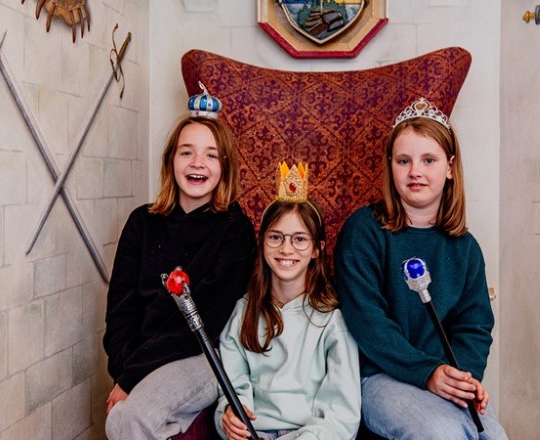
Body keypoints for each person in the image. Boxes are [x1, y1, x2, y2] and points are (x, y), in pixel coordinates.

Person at [334, 98, 508, 439]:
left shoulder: (465, 248)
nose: (415, 171)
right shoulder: (364, 231)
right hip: (380, 376)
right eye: (404, 160)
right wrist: (427, 372)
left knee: (493, 436)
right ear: (391, 167)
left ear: (450, 167)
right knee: (442, 433)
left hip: (443, 376)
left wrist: (461, 379)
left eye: (429, 160)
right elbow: (368, 322)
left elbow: (474, 327)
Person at [104, 84, 256, 439]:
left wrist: (131, 376)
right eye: (187, 152)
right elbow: (120, 312)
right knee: (124, 418)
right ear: (171, 160)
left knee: (127, 421)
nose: (197, 163)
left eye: (211, 155)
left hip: (200, 355)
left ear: (225, 167)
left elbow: (206, 321)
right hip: (142, 355)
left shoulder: (235, 230)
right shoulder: (141, 222)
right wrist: (122, 370)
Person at [215, 162, 361, 440]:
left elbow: (340, 412)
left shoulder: (332, 321)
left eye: (299, 239)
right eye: (276, 237)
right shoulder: (243, 312)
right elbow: (232, 386)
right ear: (262, 243)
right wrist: (230, 413)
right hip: (256, 433)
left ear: (317, 249)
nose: (286, 249)